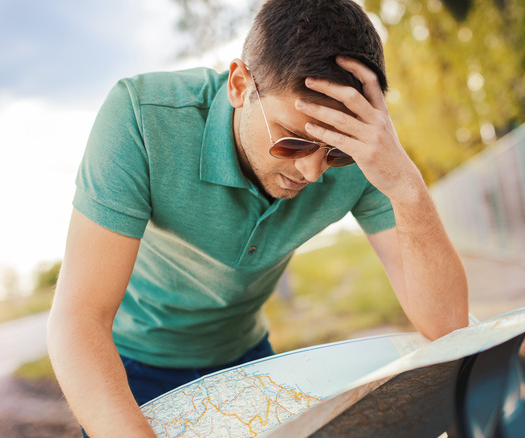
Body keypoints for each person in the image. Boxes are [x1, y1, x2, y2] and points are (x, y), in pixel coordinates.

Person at [46, 0, 469, 436]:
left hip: (247, 356)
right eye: (293, 141)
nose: (312, 172)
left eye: (337, 152)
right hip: (128, 368)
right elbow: (78, 319)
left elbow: (448, 325)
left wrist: (407, 187)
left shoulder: (367, 155)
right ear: (239, 85)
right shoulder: (141, 117)